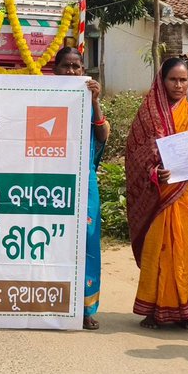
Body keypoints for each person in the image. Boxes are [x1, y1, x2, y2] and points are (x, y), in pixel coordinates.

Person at [125, 57, 188, 329]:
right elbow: (135, 154)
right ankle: (154, 309)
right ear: (162, 81)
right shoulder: (148, 113)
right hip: (159, 194)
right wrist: (153, 173)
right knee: (158, 251)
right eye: (173, 79)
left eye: (184, 80)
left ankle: (186, 313)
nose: (179, 85)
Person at [51, 47, 108, 330]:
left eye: (77, 66)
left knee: (86, 241)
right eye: (66, 66)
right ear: (55, 69)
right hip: (50, 182)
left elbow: (102, 135)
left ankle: (86, 308)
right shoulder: (43, 95)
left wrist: (95, 102)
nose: (72, 72)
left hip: (83, 183)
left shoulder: (87, 97)